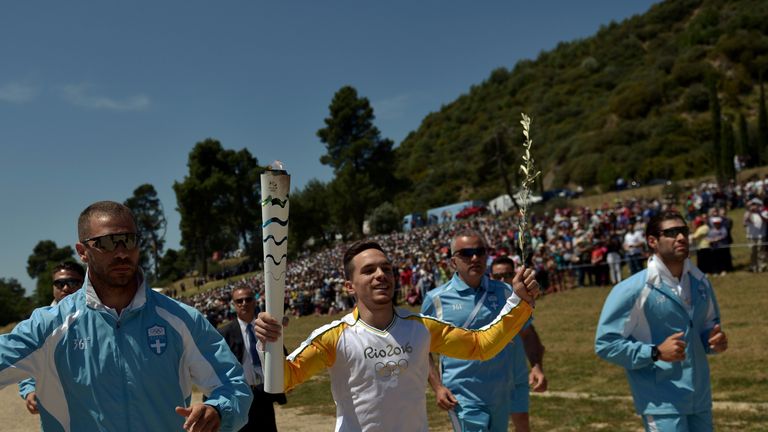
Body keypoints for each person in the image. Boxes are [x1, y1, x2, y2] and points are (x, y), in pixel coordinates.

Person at [0, 201, 251, 432]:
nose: (121, 252)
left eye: (129, 240)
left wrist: (218, 410)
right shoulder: (49, 326)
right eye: (107, 243)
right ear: (82, 251)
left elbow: (233, 385)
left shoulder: (181, 319)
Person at [254, 240, 539, 432]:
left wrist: (519, 302)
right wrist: (269, 344)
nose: (381, 274)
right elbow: (284, 380)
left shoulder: (421, 328)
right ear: (349, 286)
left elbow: (481, 346)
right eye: (369, 270)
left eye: (386, 269)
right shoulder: (334, 337)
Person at [595, 211, 728, 432]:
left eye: (683, 231)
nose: (681, 237)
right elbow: (605, 344)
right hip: (661, 403)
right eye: (672, 233)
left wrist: (714, 341)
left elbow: (707, 329)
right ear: (652, 241)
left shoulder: (701, 282)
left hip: (700, 398)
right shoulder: (633, 289)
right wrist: (655, 352)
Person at [421, 233, 543, 432]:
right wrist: (437, 387)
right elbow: (422, 348)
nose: (475, 258)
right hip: (462, 395)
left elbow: (527, 332)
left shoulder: (506, 292)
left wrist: (536, 366)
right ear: (453, 262)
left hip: (500, 391)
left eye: (480, 252)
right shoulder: (436, 299)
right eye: (466, 253)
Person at [19, 261, 86, 416]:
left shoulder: (100, 316)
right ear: (53, 287)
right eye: (60, 283)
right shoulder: (39, 323)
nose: (66, 288)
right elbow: (27, 360)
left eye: (73, 282)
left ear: (84, 284)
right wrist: (30, 390)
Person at [490, 256, 547, 432]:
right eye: (497, 276)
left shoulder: (520, 302)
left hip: (517, 375)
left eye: (507, 275)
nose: (502, 280)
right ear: (490, 277)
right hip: (489, 379)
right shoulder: (483, 303)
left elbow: (529, 334)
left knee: (522, 422)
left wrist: (536, 367)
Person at [219, 287, 287, 432]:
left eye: (248, 299)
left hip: (264, 394)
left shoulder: (266, 327)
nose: (244, 303)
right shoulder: (225, 333)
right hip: (240, 395)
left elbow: (282, 354)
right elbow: (217, 368)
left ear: (255, 301)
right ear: (233, 305)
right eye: (239, 301)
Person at [744, 197, 768, 272]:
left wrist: (759, 213)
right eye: (753, 205)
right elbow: (744, 223)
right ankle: (753, 266)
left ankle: (762, 266)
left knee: (761, 252)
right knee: (752, 252)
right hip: (751, 236)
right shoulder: (748, 213)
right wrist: (749, 211)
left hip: (761, 235)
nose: (754, 206)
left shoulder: (764, 212)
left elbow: (766, 220)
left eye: (756, 205)